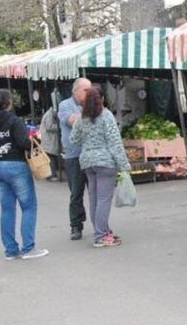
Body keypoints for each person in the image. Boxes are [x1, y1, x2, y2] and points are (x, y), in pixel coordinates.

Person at [0, 89, 49, 260]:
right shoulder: (14, 120)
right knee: (28, 206)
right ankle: (28, 248)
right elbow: (25, 143)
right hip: (15, 165)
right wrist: (37, 138)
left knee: (7, 208)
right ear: (9, 103)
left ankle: (11, 251)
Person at [69, 87, 130, 248]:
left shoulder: (81, 119)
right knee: (104, 199)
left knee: (94, 199)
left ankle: (102, 231)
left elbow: (73, 139)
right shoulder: (106, 116)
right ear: (101, 99)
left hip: (87, 162)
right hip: (105, 163)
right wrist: (124, 164)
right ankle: (101, 236)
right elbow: (114, 142)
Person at [58, 77, 92, 240]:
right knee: (76, 193)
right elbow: (72, 121)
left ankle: (100, 225)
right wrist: (91, 113)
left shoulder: (92, 105)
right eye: (86, 90)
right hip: (74, 156)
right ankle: (76, 225)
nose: (89, 93)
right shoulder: (65, 105)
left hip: (92, 155)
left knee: (96, 192)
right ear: (76, 90)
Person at [39, 106, 60, 182]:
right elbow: (49, 126)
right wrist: (60, 126)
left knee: (52, 157)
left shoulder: (51, 113)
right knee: (50, 158)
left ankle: (52, 174)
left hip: (50, 140)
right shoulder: (49, 115)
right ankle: (50, 175)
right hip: (48, 140)